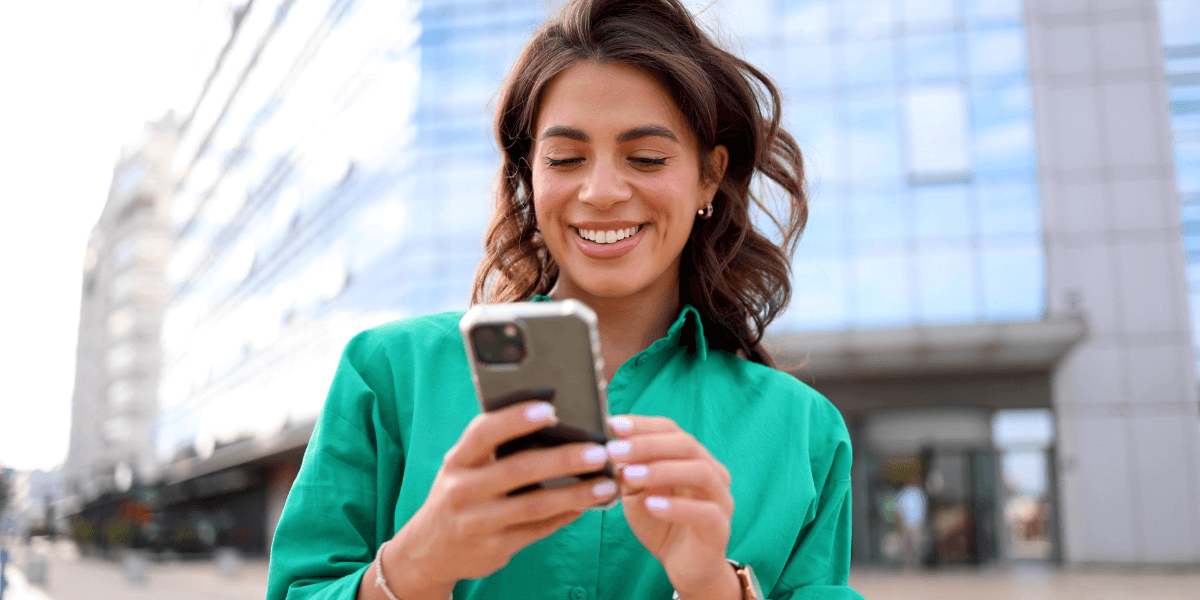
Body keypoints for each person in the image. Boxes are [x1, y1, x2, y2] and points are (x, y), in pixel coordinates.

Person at [266, 0, 862, 598]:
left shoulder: (806, 434)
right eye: (565, 159)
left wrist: (714, 587)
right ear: (529, 175)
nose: (601, 191)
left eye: (646, 158)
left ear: (709, 175)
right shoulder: (390, 376)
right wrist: (413, 566)